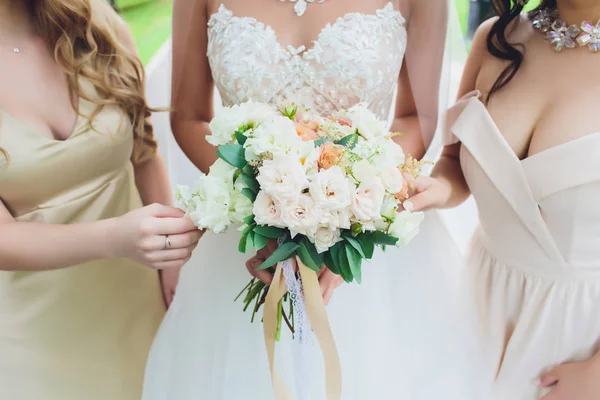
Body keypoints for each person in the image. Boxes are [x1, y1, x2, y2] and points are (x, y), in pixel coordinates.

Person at [143, 0, 480, 399]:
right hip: (247, 239)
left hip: (368, 238)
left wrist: (343, 217)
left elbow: (414, 118)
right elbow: (189, 116)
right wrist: (261, 202)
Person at [0, 0, 202, 399]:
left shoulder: (94, 23)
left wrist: (173, 264)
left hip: (144, 302)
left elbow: (143, 151)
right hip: (36, 333)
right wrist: (115, 238)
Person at [405, 0, 600, 398]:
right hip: (477, 307)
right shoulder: (497, 38)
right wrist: (439, 188)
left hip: (580, 337)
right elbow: (454, 159)